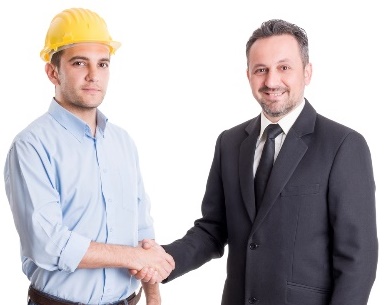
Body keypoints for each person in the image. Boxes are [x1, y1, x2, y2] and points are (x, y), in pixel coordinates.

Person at [143, 19, 378, 304]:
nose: (271, 81)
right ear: (248, 76)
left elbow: (358, 259)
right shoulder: (229, 143)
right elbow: (213, 229)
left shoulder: (343, 145)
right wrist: (166, 259)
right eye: (261, 70)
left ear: (307, 72)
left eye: (284, 67)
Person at [4, 7, 174, 305]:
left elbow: (142, 233)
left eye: (103, 64)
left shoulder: (123, 142)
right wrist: (132, 255)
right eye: (79, 63)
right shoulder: (31, 146)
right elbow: (48, 244)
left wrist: (154, 298)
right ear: (52, 71)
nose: (94, 75)